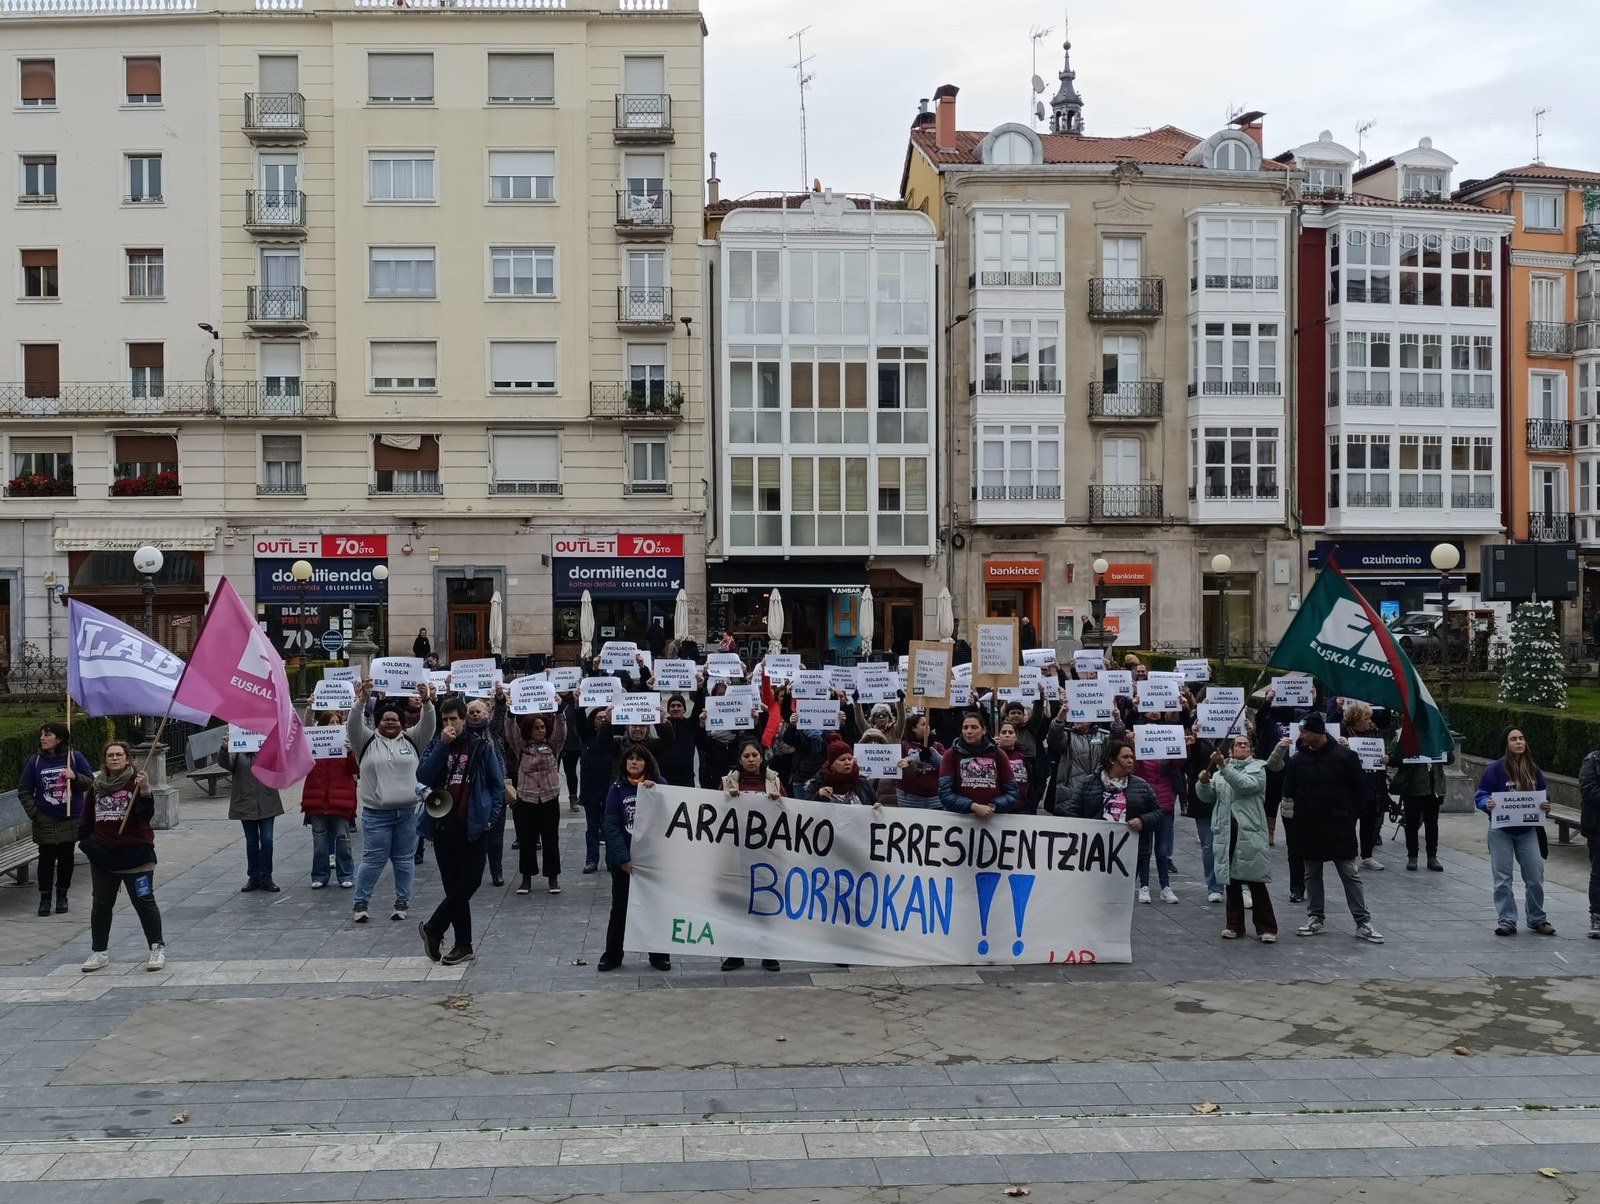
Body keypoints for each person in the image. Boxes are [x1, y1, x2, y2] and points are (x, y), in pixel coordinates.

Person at [416, 694, 505, 966]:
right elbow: (423, 775)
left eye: (454, 718)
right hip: (444, 826)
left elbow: (497, 784)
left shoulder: (480, 746)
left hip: (473, 825)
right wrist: (442, 746)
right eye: (445, 719)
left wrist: (490, 818)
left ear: (464, 720)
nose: (449, 723)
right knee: (454, 889)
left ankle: (434, 927)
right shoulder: (437, 744)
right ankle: (462, 944)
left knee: (470, 883)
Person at [1284, 713, 1384, 944]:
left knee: (1349, 873)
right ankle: (1315, 916)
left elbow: (1359, 791)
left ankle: (1363, 921)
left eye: (1306, 731)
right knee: (1312, 873)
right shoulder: (1298, 760)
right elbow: (1289, 792)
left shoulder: (1346, 757)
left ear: (1318, 732)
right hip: (1308, 826)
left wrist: (1350, 818)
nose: (1302, 735)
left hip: (1340, 826)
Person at [347, 682, 437, 923]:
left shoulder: (413, 740)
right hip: (376, 814)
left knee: (404, 860)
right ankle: (361, 905)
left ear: (402, 723)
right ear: (377, 723)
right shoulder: (364, 742)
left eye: (395, 720)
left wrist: (427, 701)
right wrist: (361, 700)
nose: (390, 723)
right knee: (373, 861)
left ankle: (401, 904)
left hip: (407, 812)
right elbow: (353, 723)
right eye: (386, 719)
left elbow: (429, 725)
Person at [76, 742, 165, 972]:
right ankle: (99, 951)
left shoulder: (136, 783)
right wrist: (89, 846)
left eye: (119, 755)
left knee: (144, 902)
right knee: (101, 904)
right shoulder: (96, 787)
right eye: (110, 755)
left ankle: (156, 948)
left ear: (128, 759)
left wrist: (145, 791)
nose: (114, 758)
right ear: (104, 760)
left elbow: (145, 816)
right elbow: (85, 822)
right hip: (104, 857)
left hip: (136, 857)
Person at [598, 744, 672, 973]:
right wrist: (623, 859)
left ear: (646, 764)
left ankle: (659, 954)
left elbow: (670, 816)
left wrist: (657, 789)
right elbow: (611, 826)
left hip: (652, 861)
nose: (634, 762)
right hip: (625, 862)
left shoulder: (658, 786)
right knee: (619, 908)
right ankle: (613, 954)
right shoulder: (617, 790)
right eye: (630, 758)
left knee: (654, 907)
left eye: (639, 759)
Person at [1475, 728, 1555, 936]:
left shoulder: (1533, 769)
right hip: (1501, 831)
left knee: (1535, 876)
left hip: (1528, 831)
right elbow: (1481, 793)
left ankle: (1537, 918)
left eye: (1521, 738)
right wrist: (1487, 803)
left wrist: (1546, 805)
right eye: (1513, 739)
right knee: (1502, 877)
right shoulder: (1494, 769)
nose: (1519, 742)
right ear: (1506, 744)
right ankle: (1507, 920)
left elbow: (1543, 795)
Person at [1197, 736, 1276, 942]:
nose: (1242, 746)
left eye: (1246, 744)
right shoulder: (1221, 772)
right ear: (1231, 750)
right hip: (1226, 830)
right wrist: (1203, 783)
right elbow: (1208, 796)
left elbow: (1244, 786)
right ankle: (1234, 925)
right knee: (1230, 879)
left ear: (1252, 750)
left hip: (1248, 831)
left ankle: (1266, 927)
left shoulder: (1258, 769)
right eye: (1238, 744)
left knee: (1255, 879)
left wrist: (1222, 766)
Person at [17, 722, 91, 916]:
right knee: (46, 859)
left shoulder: (74, 758)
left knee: (66, 858)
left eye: (47, 735)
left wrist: (74, 777)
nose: (42, 738)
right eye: (41, 734)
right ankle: (45, 898)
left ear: (59, 739)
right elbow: (24, 789)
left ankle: (62, 895)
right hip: (45, 818)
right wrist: (34, 812)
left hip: (69, 817)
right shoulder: (35, 761)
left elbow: (90, 783)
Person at [504, 707, 567, 895]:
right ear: (529, 730)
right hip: (526, 798)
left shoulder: (552, 745)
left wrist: (559, 711)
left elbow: (561, 732)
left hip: (549, 797)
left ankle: (553, 877)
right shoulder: (522, 747)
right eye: (536, 728)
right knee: (527, 840)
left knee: (551, 839)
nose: (541, 731)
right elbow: (510, 731)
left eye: (543, 727)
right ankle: (526, 878)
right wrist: (510, 712)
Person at [300, 710, 358, 889]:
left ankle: (346, 874)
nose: (333, 726)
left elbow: (355, 770)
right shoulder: (313, 746)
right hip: (317, 800)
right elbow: (301, 766)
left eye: (336, 722)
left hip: (340, 800)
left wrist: (350, 753)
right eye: (330, 723)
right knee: (319, 842)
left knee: (343, 839)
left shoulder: (348, 745)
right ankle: (319, 875)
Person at [1060, 740, 1161, 833]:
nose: (1130, 761)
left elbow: (1157, 813)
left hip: (1131, 848)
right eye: (1125, 757)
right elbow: (1072, 811)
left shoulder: (1141, 785)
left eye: (1131, 757)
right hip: (1095, 845)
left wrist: (1142, 821)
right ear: (1112, 760)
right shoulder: (1088, 783)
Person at [938, 712, 1019, 817]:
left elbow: (1012, 793)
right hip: (960, 821)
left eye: (974, 727)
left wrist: (993, 806)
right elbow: (945, 793)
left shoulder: (999, 754)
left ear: (983, 730)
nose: (969, 731)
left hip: (992, 820)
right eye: (965, 727)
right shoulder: (951, 754)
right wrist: (972, 806)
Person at [229, 749, 284, 893]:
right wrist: (224, 749)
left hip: (267, 801)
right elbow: (227, 764)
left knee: (267, 840)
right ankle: (253, 878)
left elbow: (279, 765)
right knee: (251, 842)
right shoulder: (237, 749)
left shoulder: (266, 745)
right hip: (245, 801)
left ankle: (266, 878)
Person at [1342, 701, 1388, 871]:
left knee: (1369, 823)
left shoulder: (1374, 733)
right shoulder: (1343, 734)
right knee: (1350, 823)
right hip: (1351, 787)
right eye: (1366, 718)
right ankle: (1350, 857)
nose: (1370, 721)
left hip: (1371, 785)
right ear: (1356, 720)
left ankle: (1367, 856)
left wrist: (1385, 759)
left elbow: (1380, 752)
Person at [1390, 745, 1447, 873]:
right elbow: (1394, 760)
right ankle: (1412, 856)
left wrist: (1446, 749)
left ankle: (1432, 856)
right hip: (1412, 788)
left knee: (1432, 824)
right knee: (1411, 823)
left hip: (1433, 788)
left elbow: (1450, 759)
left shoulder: (1436, 737)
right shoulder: (1405, 736)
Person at [896, 712, 945, 810]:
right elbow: (899, 766)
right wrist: (919, 757)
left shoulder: (938, 746)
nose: (927, 727)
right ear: (913, 728)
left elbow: (945, 766)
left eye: (928, 724)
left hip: (935, 800)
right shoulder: (904, 746)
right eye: (923, 724)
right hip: (910, 800)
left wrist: (932, 754)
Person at [1578, 747, 1600, 938]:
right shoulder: (1592, 760)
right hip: (1597, 827)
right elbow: (1588, 790)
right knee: (1599, 873)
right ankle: (1597, 917)